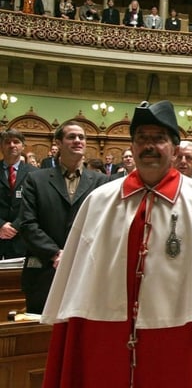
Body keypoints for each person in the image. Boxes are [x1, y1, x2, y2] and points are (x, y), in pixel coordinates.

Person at [40, 100, 192, 388]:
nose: (149, 146)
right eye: (142, 139)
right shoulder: (99, 202)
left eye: (159, 139)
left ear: (175, 150)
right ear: (132, 146)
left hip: (183, 336)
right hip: (105, 335)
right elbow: (77, 282)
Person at [18, 121, 108, 313]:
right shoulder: (36, 180)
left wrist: (78, 253)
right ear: (58, 143)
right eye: (71, 137)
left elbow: (104, 225)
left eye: (81, 137)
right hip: (44, 271)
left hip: (86, 270)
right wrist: (56, 253)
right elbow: (27, 223)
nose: (78, 141)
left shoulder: (101, 182)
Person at [0, 129, 38, 259]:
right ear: (1, 146)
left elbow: (36, 205)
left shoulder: (35, 174)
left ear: (23, 146)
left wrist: (15, 226)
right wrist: (1, 225)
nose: (12, 145)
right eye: (7, 142)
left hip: (22, 239)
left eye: (16, 142)